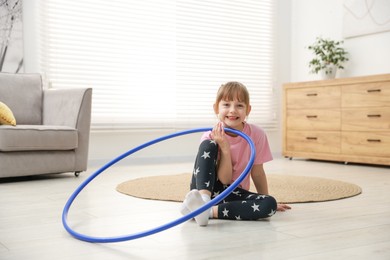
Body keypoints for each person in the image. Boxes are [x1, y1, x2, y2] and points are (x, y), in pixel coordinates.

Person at [180, 81, 291, 226]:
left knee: (269, 204)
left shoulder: (257, 135)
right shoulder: (210, 135)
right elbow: (223, 180)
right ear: (216, 108)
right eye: (226, 105)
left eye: (239, 105)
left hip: (234, 194)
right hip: (206, 190)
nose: (232, 110)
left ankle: (205, 212)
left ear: (248, 110)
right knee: (208, 144)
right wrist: (223, 146)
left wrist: (264, 197)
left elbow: (257, 173)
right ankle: (204, 203)